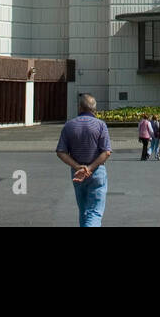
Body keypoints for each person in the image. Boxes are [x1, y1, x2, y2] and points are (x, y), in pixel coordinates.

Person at [56, 93, 112, 227]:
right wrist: (90, 168)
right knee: (94, 212)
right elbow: (106, 152)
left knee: (83, 211)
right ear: (94, 109)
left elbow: (61, 151)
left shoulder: (69, 125)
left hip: (77, 174)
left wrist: (78, 167)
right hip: (97, 172)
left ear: (80, 107)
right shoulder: (100, 125)